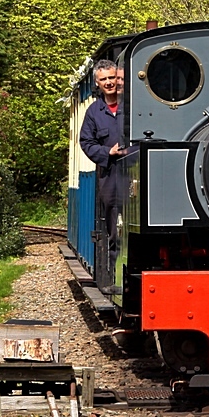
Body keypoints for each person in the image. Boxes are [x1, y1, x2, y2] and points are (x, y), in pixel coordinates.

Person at [80, 59, 126, 266]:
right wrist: (108, 151)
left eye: (112, 78)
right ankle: (116, 272)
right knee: (115, 227)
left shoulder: (133, 106)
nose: (109, 82)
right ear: (97, 83)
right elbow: (86, 142)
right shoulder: (93, 112)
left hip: (138, 173)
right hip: (111, 176)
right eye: (104, 79)